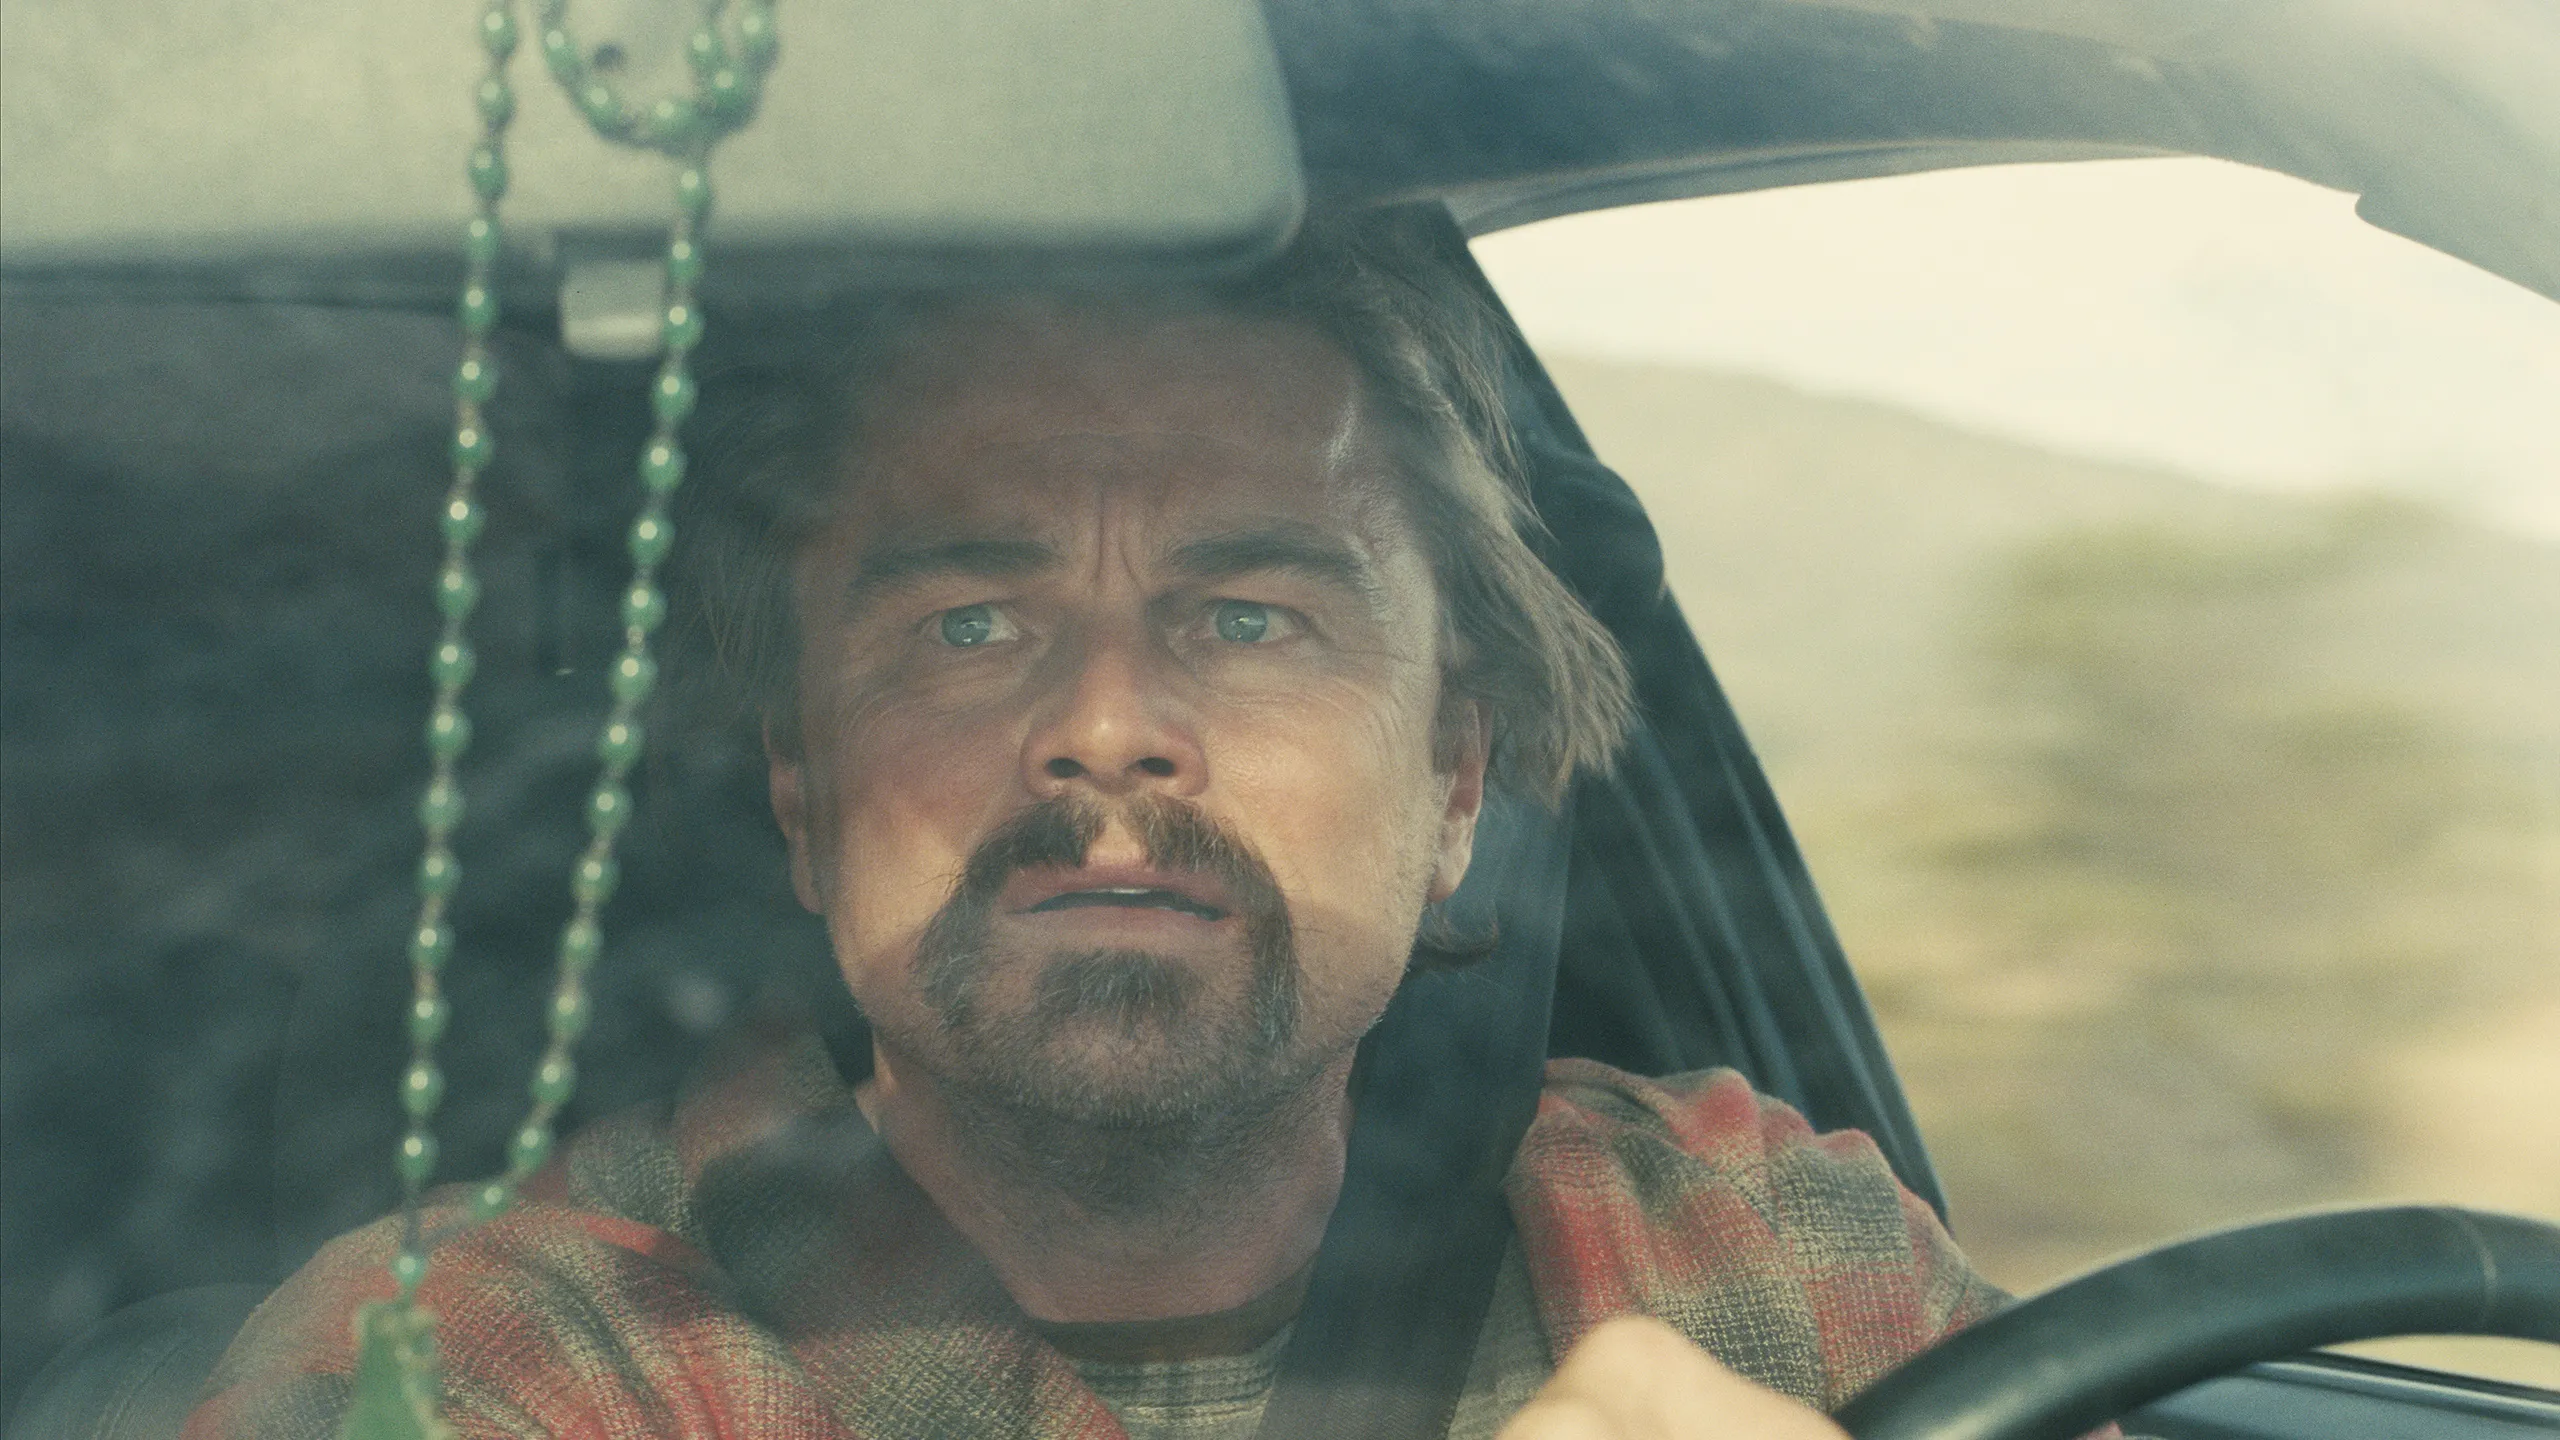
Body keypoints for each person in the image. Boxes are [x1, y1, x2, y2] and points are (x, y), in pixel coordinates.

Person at [184, 210, 2003, 1440]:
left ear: (1453, 790)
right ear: (804, 805)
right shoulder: (492, 1367)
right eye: (969, 628)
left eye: (1249, 620)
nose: (1109, 731)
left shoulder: (1749, 1244)